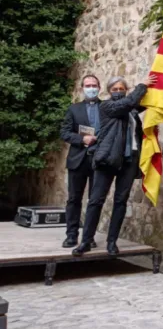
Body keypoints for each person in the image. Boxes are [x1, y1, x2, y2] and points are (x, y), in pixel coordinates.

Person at [73, 74, 156, 257]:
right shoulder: (107, 106)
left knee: (121, 201)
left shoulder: (132, 110)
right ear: (109, 91)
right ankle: (86, 241)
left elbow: (149, 101)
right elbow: (127, 104)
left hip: (129, 160)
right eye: (114, 89)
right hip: (108, 159)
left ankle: (112, 242)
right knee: (96, 200)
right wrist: (142, 85)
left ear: (126, 90)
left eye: (121, 89)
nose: (118, 92)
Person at [59, 75, 102, 249]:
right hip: (78, 160)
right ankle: (71, 235)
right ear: (82, 88)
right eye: (87, 85)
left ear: (99, 87)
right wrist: (82, 140)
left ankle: (88, 237)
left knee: (95, 200)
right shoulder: (73, 109)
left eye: (94, 85)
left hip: (100, 160)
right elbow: (64, 132)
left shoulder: (107, 107)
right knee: (74, 199)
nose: (91, 88)